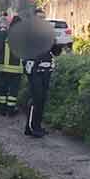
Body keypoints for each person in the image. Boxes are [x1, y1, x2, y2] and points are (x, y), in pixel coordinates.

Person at [23, 8, 56, 137]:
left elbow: (54, 51)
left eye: (43, 18)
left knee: (42, 99)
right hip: (34, 70)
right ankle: (32, 128)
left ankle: (36, 126)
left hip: (46, 70)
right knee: (36, 98)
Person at [0, 15, 23, 115]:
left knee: (2, 89)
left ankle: (2, 109)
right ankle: (11, 110)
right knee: (13, 92)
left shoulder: (4, 34)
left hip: (2, 68)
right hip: (16, 69)